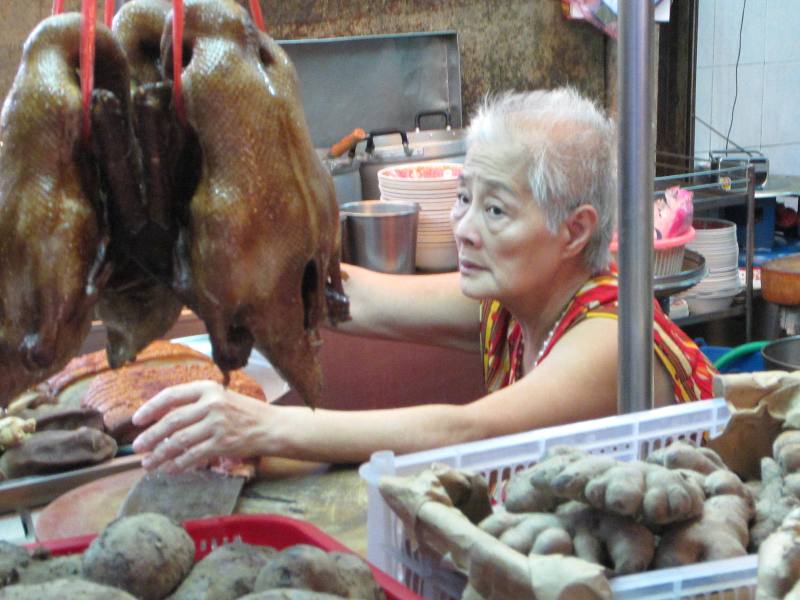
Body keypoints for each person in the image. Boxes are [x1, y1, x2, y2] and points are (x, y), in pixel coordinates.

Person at [131, 87, 716, 471]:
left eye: (495, 210)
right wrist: (190, 256)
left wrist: (261, 426)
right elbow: (352, 301)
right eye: (464, 198)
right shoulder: (521, 304)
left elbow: (464, 431)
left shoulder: (607, 341)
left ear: (574, 230)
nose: (462, 227)